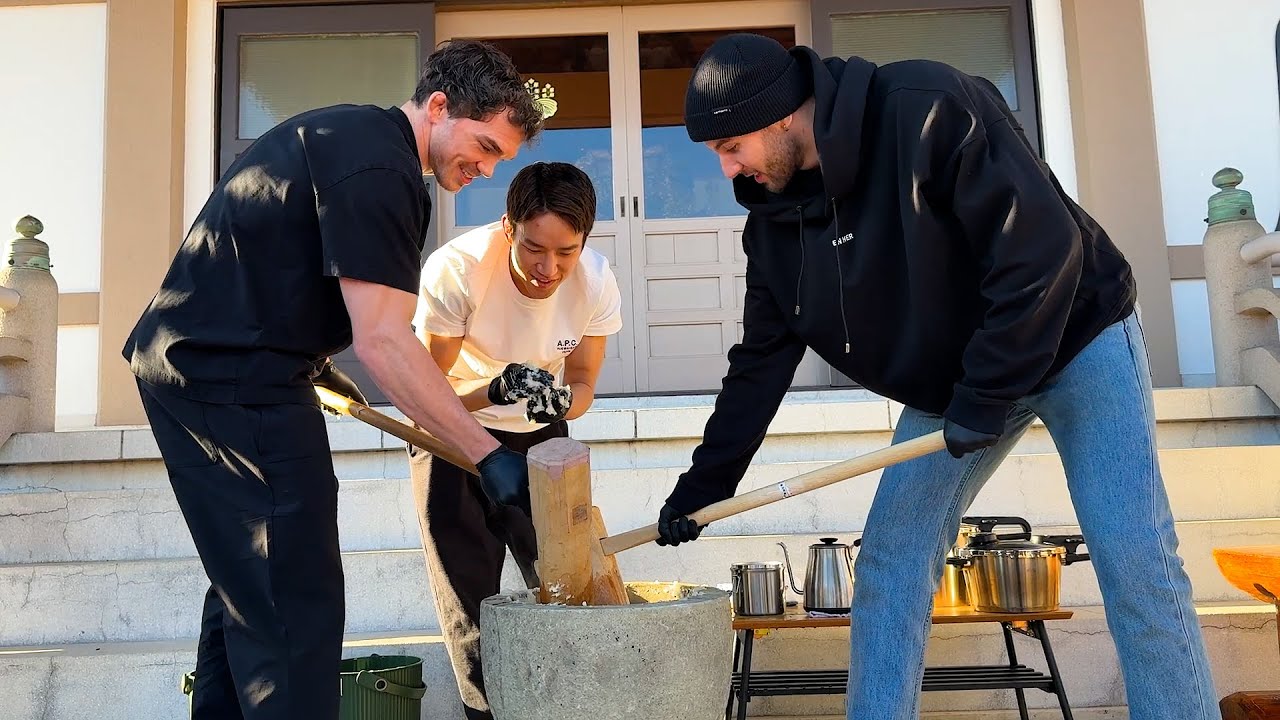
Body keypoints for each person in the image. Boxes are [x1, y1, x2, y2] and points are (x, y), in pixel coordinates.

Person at [655, 33, 1220, 720]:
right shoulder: (774, 228)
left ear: (780, 114)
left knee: (1135, 560)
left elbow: (1041, 250)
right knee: (891, 565)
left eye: (729, 147)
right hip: (960, 383)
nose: (726, 170)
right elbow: (758, 366)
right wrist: (701, 490)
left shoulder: (925, 106)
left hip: (1076, 334)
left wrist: (987, 393)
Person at [121, 40, 545, 720]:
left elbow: (279, 263)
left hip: (210, 366)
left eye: (501, 158)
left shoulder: (353, 136)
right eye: (486, 145)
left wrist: (318, 365)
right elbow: (384, 340)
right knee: (294, 589)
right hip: (233, 381)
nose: (488, 168)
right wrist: (487, 454)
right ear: (439, 108)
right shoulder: (382, 169)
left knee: (252, 582)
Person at [409, 161, 622, 719]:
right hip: (452, 435)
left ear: (584, 243)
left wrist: (561, 401)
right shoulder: (456, 271)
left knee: (565, 585)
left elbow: (582, 383)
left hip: (542, 440)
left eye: (565, 252)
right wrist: (495, 389)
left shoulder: (596, 280)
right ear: (509, 225)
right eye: (533, 248)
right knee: (470, 602)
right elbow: (428, 395)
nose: (547, 268)